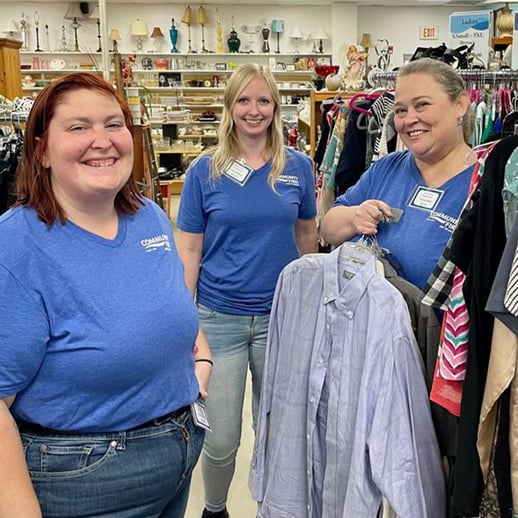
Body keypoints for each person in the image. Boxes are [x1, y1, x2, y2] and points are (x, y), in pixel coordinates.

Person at [0, 72, 212, 518]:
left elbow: (170, 306)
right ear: (41, 151)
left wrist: (200, 362)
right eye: (78, 127)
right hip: (86, 481)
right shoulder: (16, 246)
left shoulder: (149, 217)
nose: (103, 140)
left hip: (177, 457)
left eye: (114, 124)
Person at [177, 63, 318, 518]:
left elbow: (306, 239)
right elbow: (190, 250)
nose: (253, 110)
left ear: (276, 106)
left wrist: (312, 305)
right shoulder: (204, 171)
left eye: (262, 100)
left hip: (281, 318)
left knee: (275, 429)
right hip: (219, 319)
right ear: (229, 107)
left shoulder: (297, 167)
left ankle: (273, 507)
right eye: (243, 100)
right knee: (220, 437)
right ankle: (214, 509)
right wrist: (187, 323)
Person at [321, 57, 476, 291]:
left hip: (439, 328)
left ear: (460, 105)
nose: (409, 119)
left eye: (422, 104)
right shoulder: (387, 168)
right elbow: (328, 228)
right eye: (401, 110)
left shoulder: (483, 183)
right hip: (367, 325)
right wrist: (355, 217)